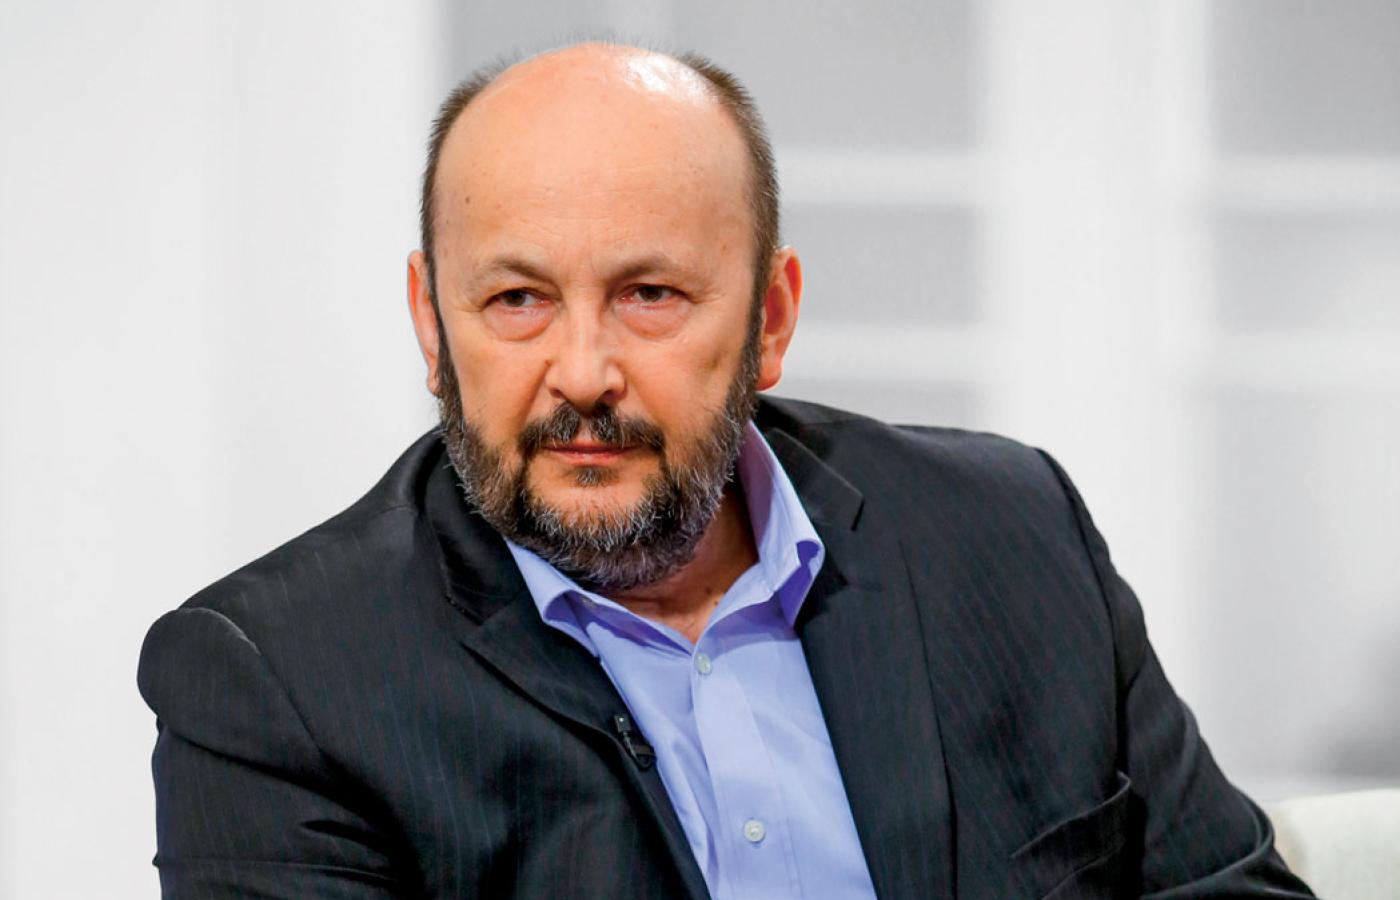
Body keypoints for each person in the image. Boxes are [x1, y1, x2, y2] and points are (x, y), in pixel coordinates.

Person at [137, 42, 1313, 898]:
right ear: (430, 324)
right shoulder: (277, 683)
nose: (581, 371)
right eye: (517, 300)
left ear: (770, 318)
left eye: (649, 294)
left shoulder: (1007, 535)